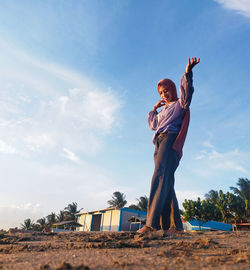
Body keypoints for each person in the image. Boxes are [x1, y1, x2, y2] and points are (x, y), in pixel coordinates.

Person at [137, 57, 200, 234]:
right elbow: (152, 126)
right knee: (167, 181)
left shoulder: (180, 105)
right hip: (158, 143)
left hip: (170, 140)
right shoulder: (163, 110)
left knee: (159, 176)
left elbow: (187, 93)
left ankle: (151, 224)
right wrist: (154, 108)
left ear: (172, 89)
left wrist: (188, 73)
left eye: (166, 91)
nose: (164, 94)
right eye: (161, 93)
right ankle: (174, 227)